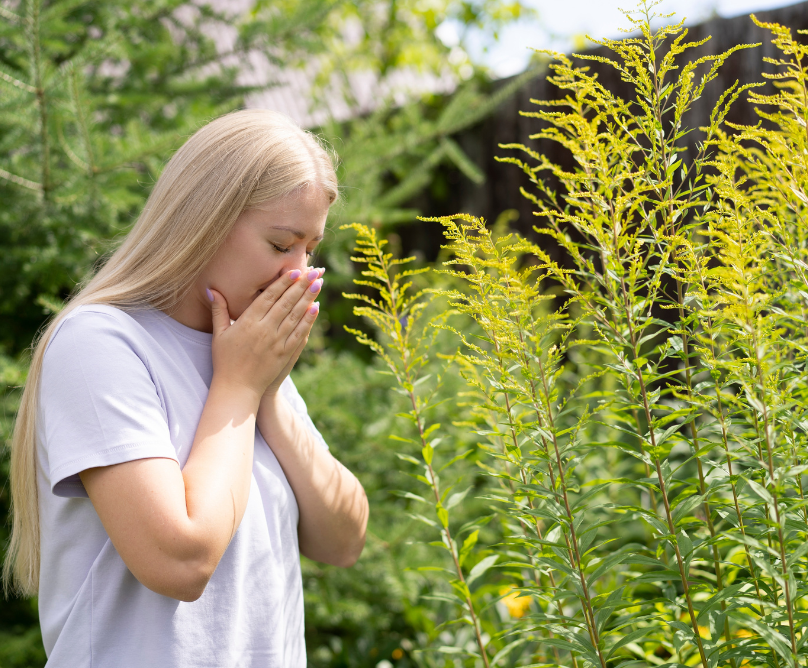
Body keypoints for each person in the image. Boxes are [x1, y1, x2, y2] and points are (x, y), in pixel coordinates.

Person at [2, 109, 369, 667]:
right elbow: (180, 561)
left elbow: (343, 540)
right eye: (280, 245)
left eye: (309, 250)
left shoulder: (245, 352)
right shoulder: (100, 343)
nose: (299, 274)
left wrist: (265, 393)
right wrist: (241, 389)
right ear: (203, 219)